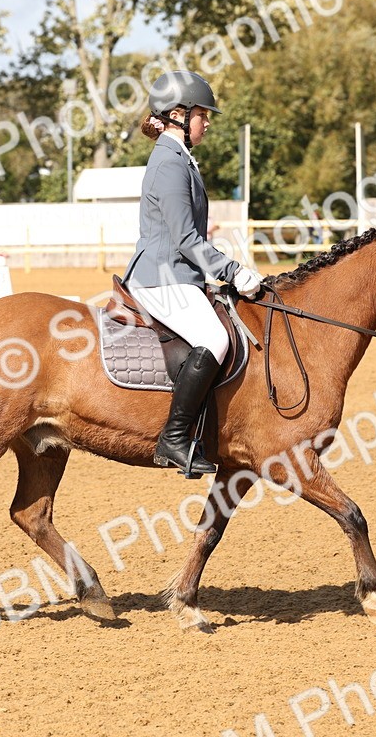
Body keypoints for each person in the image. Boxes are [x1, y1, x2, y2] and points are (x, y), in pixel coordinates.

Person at [122, 70, 264, 476]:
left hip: (179, 274)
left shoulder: (179, 158)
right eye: (204, 114)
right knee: (215, 337)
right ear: (179, 115)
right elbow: (185, 239)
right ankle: (175, 437)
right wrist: (233, 271)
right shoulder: (169, 163)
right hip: (161, 277)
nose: (208, 121)